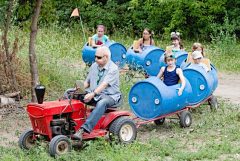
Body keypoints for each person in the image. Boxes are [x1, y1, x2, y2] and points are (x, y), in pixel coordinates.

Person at [73, 46, 121, 140]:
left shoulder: (113, 69)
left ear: (106, 57)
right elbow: (88, 82)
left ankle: (84, 129)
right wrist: (81, 86)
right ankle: (67, 120)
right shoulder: (94, 66)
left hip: (110, 96)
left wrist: (92, 94)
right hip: (94, 94)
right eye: (95, 57)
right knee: (70, 93)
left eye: (98, 57)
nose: (96, 59)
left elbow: (104, 85)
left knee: (102, 103)